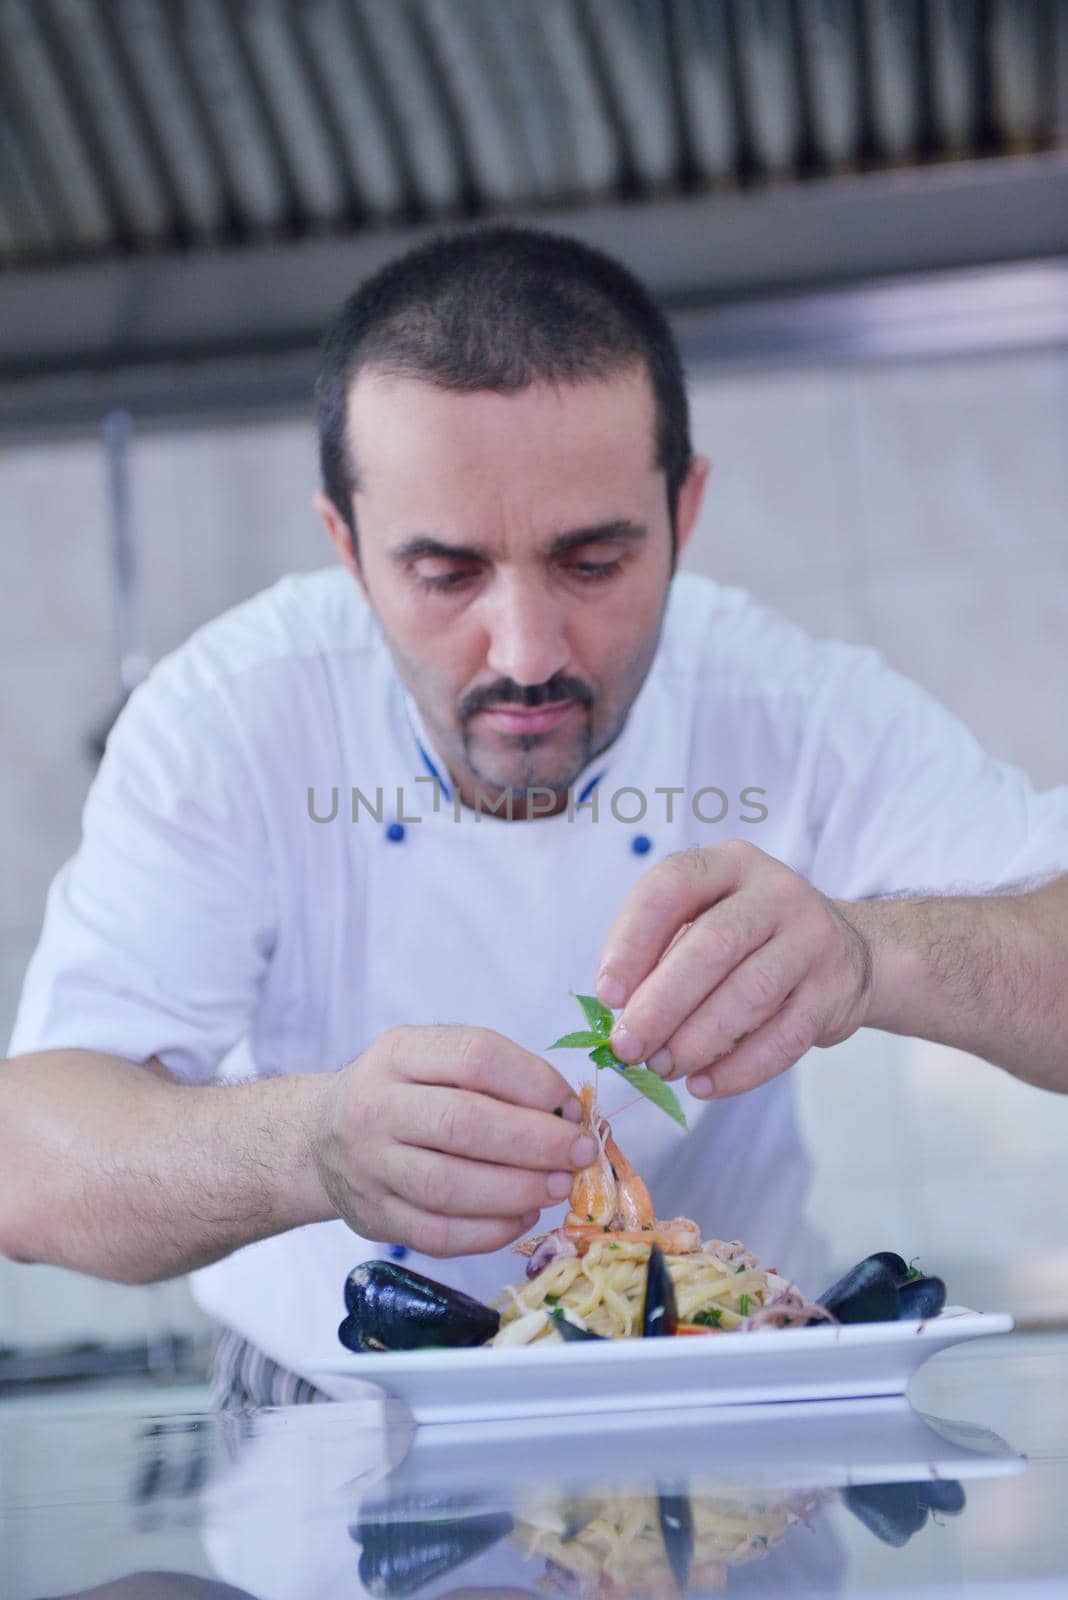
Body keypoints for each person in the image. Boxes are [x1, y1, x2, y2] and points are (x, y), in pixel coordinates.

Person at [3, 227, 1066, 1406]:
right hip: (328, 1426)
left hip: (725, 1395)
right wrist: (310, 1146)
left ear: (685, 511)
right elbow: (29, 1161)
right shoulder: (229, 720)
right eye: (446, 573)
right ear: (347, 549)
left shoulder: (794, 708)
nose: (525, 653)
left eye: (593, 561)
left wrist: (878, 954)